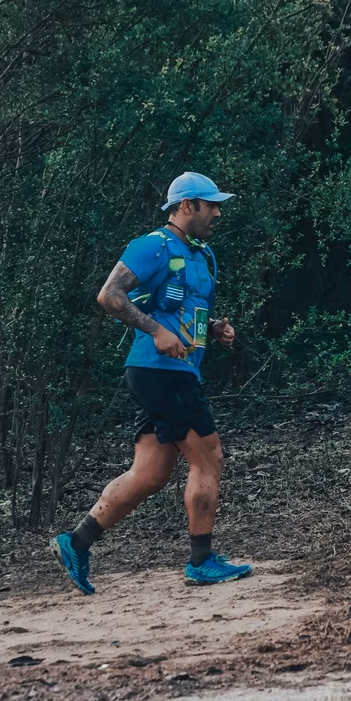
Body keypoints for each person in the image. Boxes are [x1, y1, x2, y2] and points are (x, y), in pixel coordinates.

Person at [50, 172, 253, 594]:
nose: (217, 211)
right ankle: (201, 561)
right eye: (210, 204)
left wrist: (213, 328)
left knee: (151, 472)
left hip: (174, 371)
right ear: (186, 206)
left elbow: (179, 309)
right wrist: (156, 333)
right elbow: (110, 296)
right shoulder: (152, 246)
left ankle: (76, 541)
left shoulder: (201, 253)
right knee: (209, 457)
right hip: (160, 372)